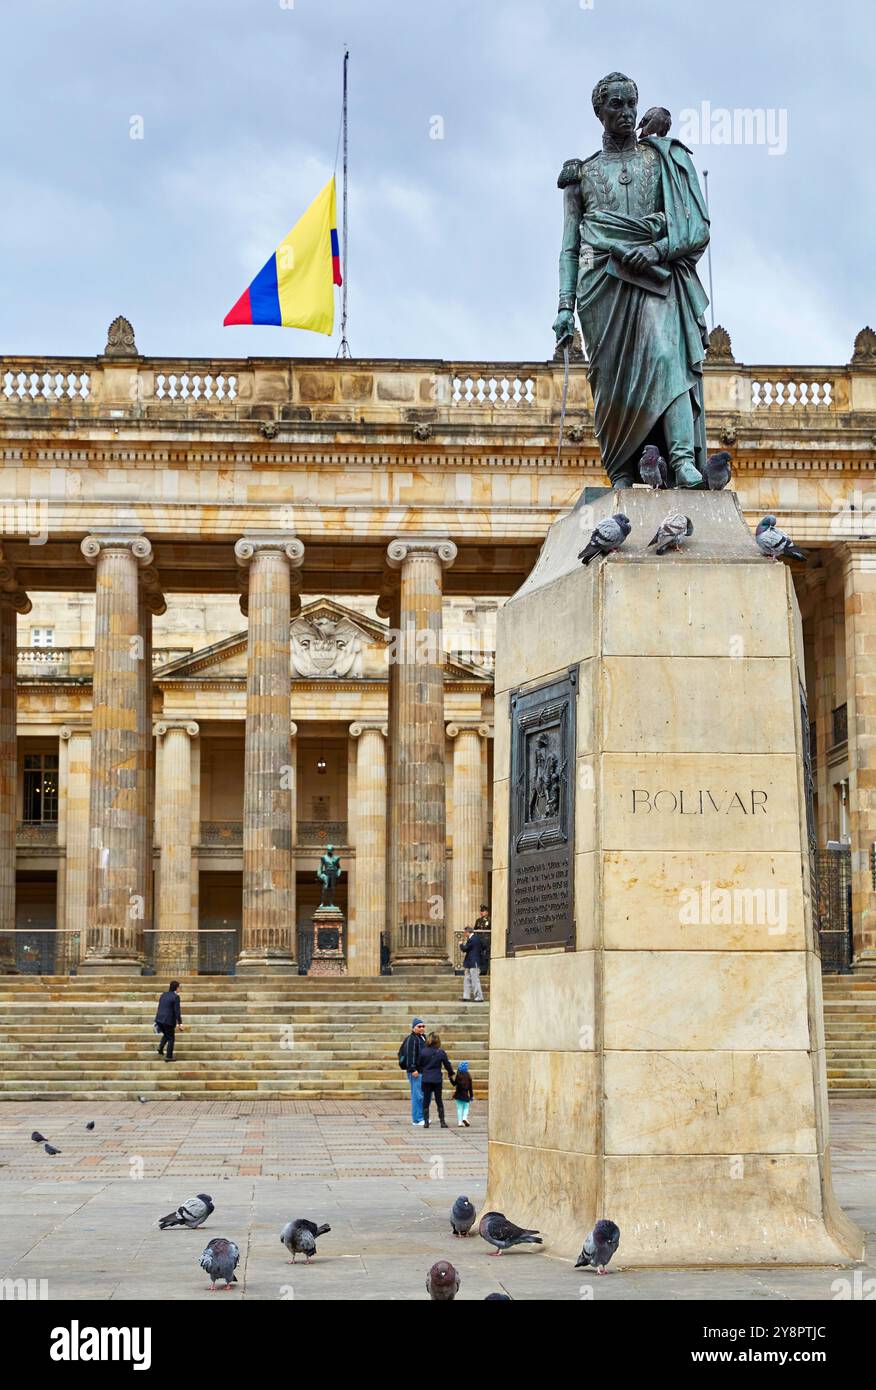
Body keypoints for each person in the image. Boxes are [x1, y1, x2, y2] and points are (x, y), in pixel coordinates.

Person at [419, 1032, 455, 1129]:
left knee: (426, 1100)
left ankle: (426, 1122)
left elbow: (419, 1065)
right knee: (439, 1100)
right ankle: (442, 1122)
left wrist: (424, 1071)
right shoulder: (441, 1052)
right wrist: (451, 1073)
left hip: (426, 1079)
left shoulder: (423, 1051)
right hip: (437, 1079)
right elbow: (447, 1065)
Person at [398, 1017, 427, 1126]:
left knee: (422, 1095)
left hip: (423, 1071)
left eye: (423, 1026)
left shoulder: (423, 1037)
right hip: (416, 1072)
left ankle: (422, 1116)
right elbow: (410, 1055)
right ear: (413, 1028)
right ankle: (417, 1119)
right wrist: (412, 1069)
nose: (421, 1028)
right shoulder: (412, 1039)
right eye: (419, 1026)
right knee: (417, 1096)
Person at [155, 980, 183, 1062]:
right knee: (171, 1038)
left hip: (159, 1019)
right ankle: (169, 1056)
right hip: (168, 1020)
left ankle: (160, 1047)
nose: (180, 989)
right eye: (179, 987)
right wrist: (180, 1023)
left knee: (167, 1034)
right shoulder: (176, 997)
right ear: (177, 988)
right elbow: (177, 1011)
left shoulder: (163, 994)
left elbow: (160, 1007)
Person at [460, 923, 485, 1002]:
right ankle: (466, 996)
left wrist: (461, 945)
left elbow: (465, 949)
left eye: (465, 933)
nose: (464, 934)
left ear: (468, 932)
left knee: (474, 980)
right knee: (467, 979)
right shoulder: (477, 938)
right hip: (470, 962)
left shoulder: (472, 939)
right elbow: (484, 946)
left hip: (473, 962)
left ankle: (479, 997)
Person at [453, 1060, 474, 1127]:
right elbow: (470, 1088)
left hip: (458, 1095)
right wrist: (471, 1096)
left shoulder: (458, 1075)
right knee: (466, 1108)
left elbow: (454, 1084)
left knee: (459, 1109)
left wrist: (450, 1078)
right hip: (465, 1095)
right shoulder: (468, 1076)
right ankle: (464, 1118)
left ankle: (459, 1122)